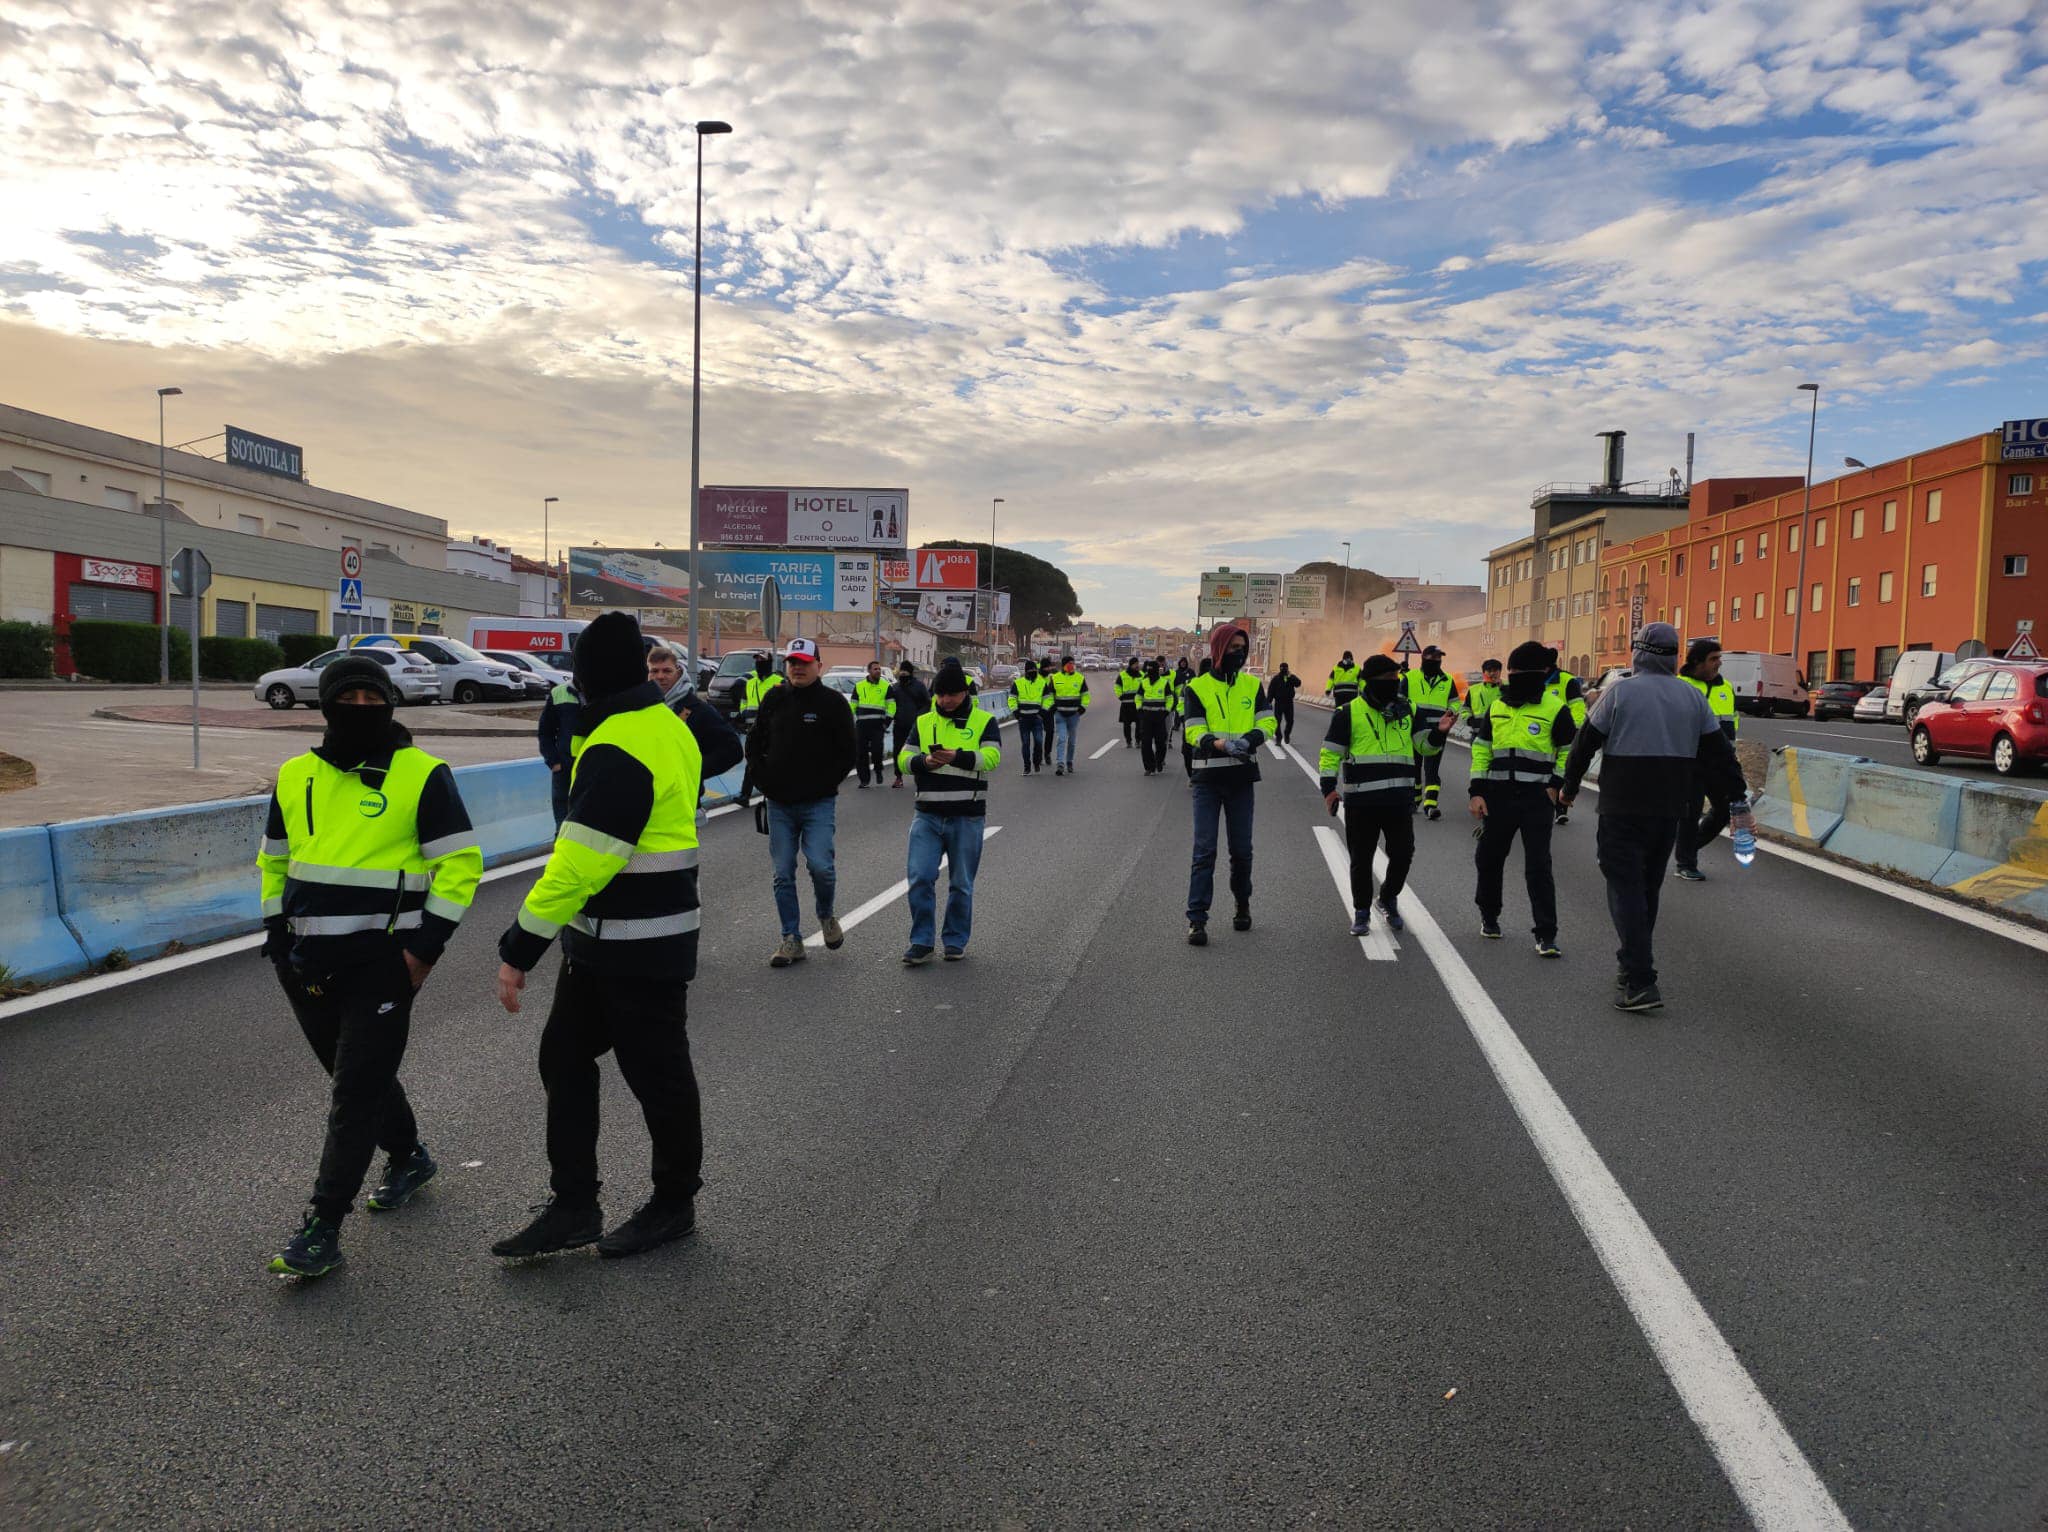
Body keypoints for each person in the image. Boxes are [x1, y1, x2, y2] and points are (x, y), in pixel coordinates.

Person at [257, 654, 483, 1278]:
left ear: (390, 704)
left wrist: (424, 950)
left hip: (385, 965)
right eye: (348, 699)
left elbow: (461, 867)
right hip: (305, 962)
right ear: (325, 705)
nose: (361, 710)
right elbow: (274, 862)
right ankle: (409, 1156)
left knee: (353, 1091)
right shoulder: (295, 774)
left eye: (372, 699)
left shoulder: (422, 774)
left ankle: (324, 1225)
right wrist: (277, 938)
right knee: (360, 1076)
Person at [491, 612, 708, 1261]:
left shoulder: (619, 745)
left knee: (659, 1076)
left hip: (639, 946)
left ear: (586, 680)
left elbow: (580, 863)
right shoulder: (664, 727)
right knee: (564, 1057)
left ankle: (673, 1204)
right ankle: (574, 1206)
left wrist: (518, 948)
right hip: (604, 944)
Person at [1560, 622, 1752, 1013]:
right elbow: (1722, 756)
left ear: (1639, 652)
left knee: (1624, 887)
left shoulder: (1620, 691)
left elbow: (1585, 742)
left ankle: (1640, 979)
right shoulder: (1693, 698)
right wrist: (1739, 801)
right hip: (1670, 808)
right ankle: (1631, 968)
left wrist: (1569, 787)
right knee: (1647, 889)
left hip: (1622, 805)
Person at [746, 638, 858, 967]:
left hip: (818, 803)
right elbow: (754, 742)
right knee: (782, 873)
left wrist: (825, 783)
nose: (797, 667)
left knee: (821, 867)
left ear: (818, 666)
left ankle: (825, 915)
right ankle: (791, 939)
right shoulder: (775, 698)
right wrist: (762, 779)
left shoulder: (833, 703)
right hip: (779, 803)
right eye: (792, 662)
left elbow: (847, 753)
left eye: (804, 662)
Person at [1469, 641, 1576, 957]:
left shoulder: (1555, 709)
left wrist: (1557, 784)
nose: (1513, 676)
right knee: (1488, 859)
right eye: (1511, 672)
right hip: (1498, 798)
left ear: (1540, 674)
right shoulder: (1496, 708)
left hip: (1536, 801)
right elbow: (1481, 748)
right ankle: (1489, 917)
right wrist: (1476, 791)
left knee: (1538, 867)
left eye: (1518, 672)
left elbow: (1570, 750)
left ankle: (1546, 934)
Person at [897, 658, 1001, 963]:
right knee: (919, 877)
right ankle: (921, 942)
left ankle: (954, 940)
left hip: (967, 816)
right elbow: (903, 759)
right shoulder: (923, 722)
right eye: (941, 695)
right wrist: (923, 763)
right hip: (926, 815)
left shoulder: (984, 721)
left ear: (965, 693)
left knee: (961, 884)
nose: (946, 700)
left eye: (952, 695)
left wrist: (956, 757)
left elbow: (992, 758)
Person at [1182, 622, 1275, 945]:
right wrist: (1218, 744)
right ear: (1220, 649)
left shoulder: (1252, 686)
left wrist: (1250, 739)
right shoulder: (1197, 688)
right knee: (1204, 851)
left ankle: (1242, 903)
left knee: (1242, 851)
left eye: (1242, 647)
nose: (1240, 653)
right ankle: (1197, 919)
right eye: (1234, 648)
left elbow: (1268, 721)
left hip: (1241, 779)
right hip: (1208, 778)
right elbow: (1192, 729)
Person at [1318, 654, 1415, 935]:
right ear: (1370, 681)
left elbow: (1425, 746)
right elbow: (1330, 754)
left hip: (1399, 801)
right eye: (1387, 680)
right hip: (1362, 802)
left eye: (1396, 679)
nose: (1393, 684)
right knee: (1361, 859)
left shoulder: (1406, 710)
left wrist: (1439, 734)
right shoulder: (1348, 712)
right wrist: (1329, 790)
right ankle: (1361, 912)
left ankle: (1386, 898)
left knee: (1404, 854)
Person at [1675, 637, 1740, 882]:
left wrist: (1732, 761)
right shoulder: (1679, 686)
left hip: (1718, 763)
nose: (1718, 664)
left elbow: (1731, 726)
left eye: (1719, 658)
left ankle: (1687, 849)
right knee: (1689, 814)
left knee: (1723, 810)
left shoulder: (1726, 688)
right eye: (1713, 659)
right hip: (1687, 761)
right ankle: (1686, 862)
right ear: (1696, 662)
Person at [648, 643, 742, 784]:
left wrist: (692, 771)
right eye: (654, 671)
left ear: (678, 672)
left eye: (667, 671)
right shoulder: (641, 708)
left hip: (683, 801)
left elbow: (733, 750)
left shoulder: (698, 710)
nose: (660, 676)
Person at [1405, 645, 1465, 820]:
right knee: (1414, 768)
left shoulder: (1447, 680)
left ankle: (1430, 805)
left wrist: (1450, 712)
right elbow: (1400, 699)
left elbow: (1455, 702)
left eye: (1439, 657)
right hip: (1414, 730)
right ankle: (1414, 800)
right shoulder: (1409, 677)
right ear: (1424, 658)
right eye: (1433, 657)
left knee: (1432, 769)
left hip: (1438, 731)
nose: (1437, 660)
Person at [1545, 652, 1590, 826]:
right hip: (1540, 735)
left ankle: (1560, 808)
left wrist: (1572, 731)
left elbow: (1577, 709)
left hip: (1562, 735)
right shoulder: (1535, 680)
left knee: (1561, 769)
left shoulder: (1567, 681)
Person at [734, 651, 783, 808]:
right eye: (757, 661)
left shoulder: (779, 682)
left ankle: (776, 792)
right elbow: (743, 701)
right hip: (753, 730)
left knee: (773, 761)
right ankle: (744, 795)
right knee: (752, 762)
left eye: (762, 661)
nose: (758, 664)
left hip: (773, 730)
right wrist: (743, 714)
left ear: (769, 663)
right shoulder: (750, 683)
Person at [537, 672, 581, 826]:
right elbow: (545, 732)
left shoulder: (602, 694)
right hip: (564, 771)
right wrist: (554, 762)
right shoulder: (558, 693)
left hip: (592, 769)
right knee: (562, 825)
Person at [852, 658, 897, 788]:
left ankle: (878, 770)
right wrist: (851, 721)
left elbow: (892, 706)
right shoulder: (859, 686)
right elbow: (852, 705)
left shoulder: (886, 686)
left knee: (877, 751)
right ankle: (864, 780)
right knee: (861, 753)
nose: (878, 671)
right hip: (862, 726)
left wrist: (886, 723)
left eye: (879, 669)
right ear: (869, 671)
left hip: (878, 725)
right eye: (875, 669)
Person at [1047, 654, 1090, 776]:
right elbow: (1050, 695)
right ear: (1063, 665)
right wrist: (1052, 706)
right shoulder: (1055, 678)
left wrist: (1082, 708)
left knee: (1071, 741)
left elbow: (1085, 695)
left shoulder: (1080, 678)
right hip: (1060, 714)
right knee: (1061, 739)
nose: (1071, 666)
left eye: (1073, 663)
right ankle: (1060, 764)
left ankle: (1069, 761)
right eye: (1069, 664)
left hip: (1074, 715)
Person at [890, 660, 931, 789]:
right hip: (899, 725)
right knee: (897, 751)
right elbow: (890, 705)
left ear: (911, 673)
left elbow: (927, 703)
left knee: (918, 751)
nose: (903, 674)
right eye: (901, 672)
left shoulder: (919, 686)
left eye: (905, 672)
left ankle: (918, 776)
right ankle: (898, 777)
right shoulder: (895, 688)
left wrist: (919, 717)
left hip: (916, 726)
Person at [1007, 659, 1049, 775]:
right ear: (1026, 671)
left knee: (1039, 741)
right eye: (1030, 670)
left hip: (1037, 718)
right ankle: (1027, 766)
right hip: (1023, 719)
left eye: (1034, 670)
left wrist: (1042, 712)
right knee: (1025, 743)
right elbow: (1012, 699)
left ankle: (1036, 762)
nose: (1033, 672)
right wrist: (1016, 713)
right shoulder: (1018, 683)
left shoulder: (1042, 683)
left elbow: (1048, 699)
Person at [1136, 656, 1175, 775]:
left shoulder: (1164, 683)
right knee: (1146, 743)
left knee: (1161, 743)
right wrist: (1139, 708)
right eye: (1149, 670)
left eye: (1152, 670)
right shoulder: (1144, 682)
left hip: (1159, 717)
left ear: (1157, 670)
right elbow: (1138, 697)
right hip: (1146, 717)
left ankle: (1159, 761)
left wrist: (1166, 711)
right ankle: (1149, 767)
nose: (1150, 672)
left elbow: (1169, 698)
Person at [1269, 661, 1301, 744]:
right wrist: (1268, 702)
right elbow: (1271, 691)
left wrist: (1291, 677)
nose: (1283, 669)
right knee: (1277, 722)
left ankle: (1287, 734)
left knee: (1290, 721)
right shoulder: (1276, 679)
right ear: (1280, 668)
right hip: (1279, 703)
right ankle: (1278, 738)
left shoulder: (1291, 677)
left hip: (1289, 703)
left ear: (1288, 668)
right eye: (1282, 668)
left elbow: (1298, 683)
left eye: (1285, 668)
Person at [1115, 658, 1143, 747]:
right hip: (1126, 704)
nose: (1137, 665)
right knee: (1126, 724)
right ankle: (1128, 741)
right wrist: (1120, 696)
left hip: (1138, 705)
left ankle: (1138, 741)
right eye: (1135, 664)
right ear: (1131, 665)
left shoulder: (1142, 675)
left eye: (1138, 664)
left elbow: (1146, 686)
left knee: (1139, 724)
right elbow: (1117, 687)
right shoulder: (1123, 675)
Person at [1467, 659, 1504, 723]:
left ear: (1500, 672)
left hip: (1502, 729)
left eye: (1495, 670)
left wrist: (1503, 688)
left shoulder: (1509, 687)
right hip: (1479, 730)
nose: (1492, 673)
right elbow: (1465, 708)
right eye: (1489, 671)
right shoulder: (1473, 689)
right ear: (1484, 673)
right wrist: (1469, 720)